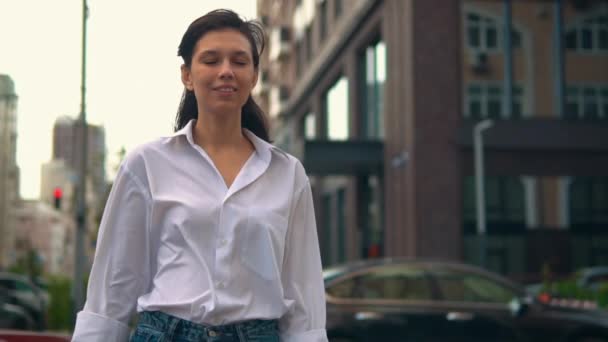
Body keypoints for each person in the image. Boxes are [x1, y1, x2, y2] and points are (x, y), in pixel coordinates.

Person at [72, 9, 327, 342]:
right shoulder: (147, 164)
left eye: (239, 61)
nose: (226, 71)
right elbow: (114, 284)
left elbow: (302, 290)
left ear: (254, 76)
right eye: (211, 60)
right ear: (187, 76)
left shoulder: (287, 174)